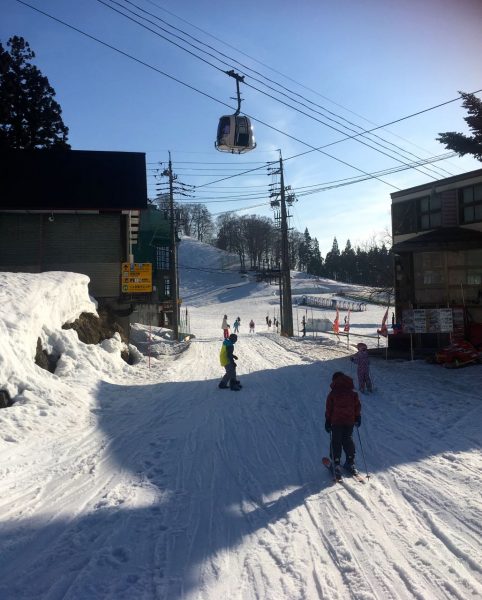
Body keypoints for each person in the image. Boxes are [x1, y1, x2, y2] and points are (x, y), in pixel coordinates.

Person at [325, 371, 361, 477]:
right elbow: (357, 406)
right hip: (349, 421)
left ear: (334, 381)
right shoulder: (352, 393)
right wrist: (357, 417)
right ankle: (350, 462)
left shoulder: (333, 394)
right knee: (348, 439)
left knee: (336, 441)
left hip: (336, 422)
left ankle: (336, 463)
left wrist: (327, 421)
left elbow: (329, 409)